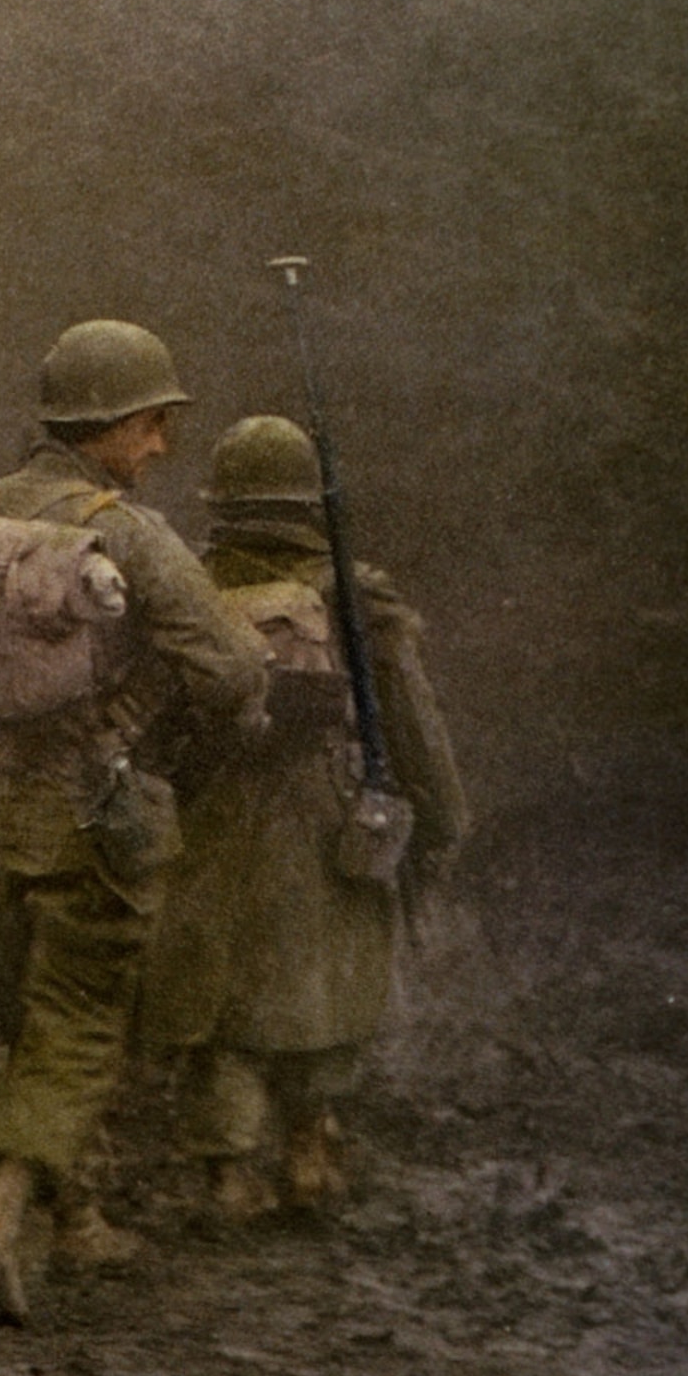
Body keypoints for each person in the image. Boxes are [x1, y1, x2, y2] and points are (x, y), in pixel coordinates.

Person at [0, 320, 268, 1325]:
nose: (161, 448)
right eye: (154, 427)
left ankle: (74, 1218)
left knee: (20, 1012)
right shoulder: (129, 533)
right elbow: (237, 670)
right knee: (80, 1021)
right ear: (115, 425)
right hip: (91, 812)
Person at [140, 415, 469, 1219]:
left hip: (211, 816)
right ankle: (311, 1147)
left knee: (219, 1000)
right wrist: (442, 819)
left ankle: (226, 1171)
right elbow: (414, 723)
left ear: (219, 503)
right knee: (323, 988)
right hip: (328, 818)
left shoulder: (186, 592)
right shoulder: (357, 598)